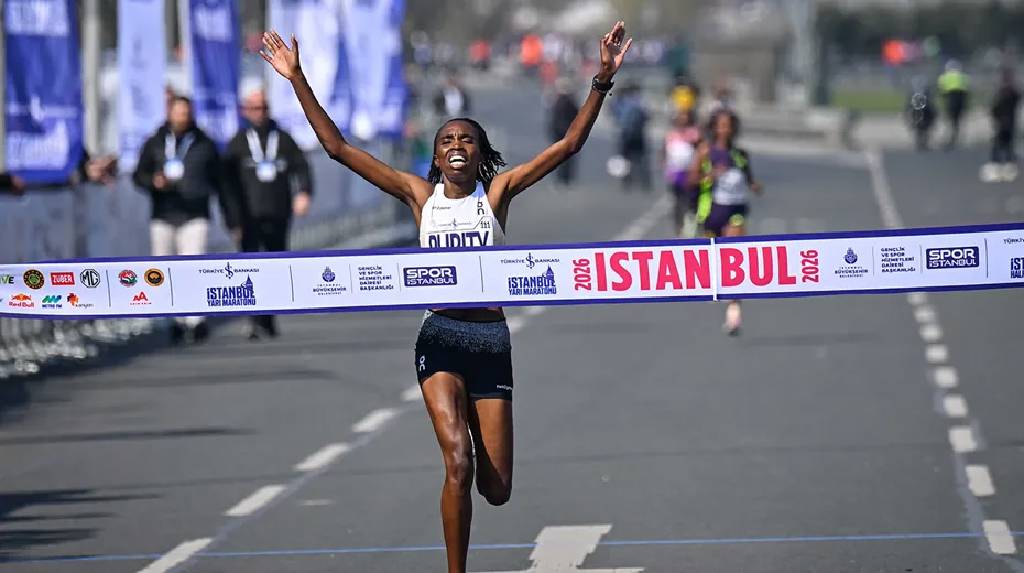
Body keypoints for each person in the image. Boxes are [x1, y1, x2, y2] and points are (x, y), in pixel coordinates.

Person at [260, 21, 632, 573]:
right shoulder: (419, 196)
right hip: (439, 337)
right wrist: (297, 79)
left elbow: (569, 145)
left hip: (490, 341)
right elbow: (337, 148)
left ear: (480, 156)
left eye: (467, 140)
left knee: (496, 488)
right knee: (457, 462)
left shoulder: (497, 194)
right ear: (435, 157)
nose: (457, 145)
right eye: (447, 141)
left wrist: (601, 78)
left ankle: (479, 440)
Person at [133, 96, 239, 344]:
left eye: (186, 113)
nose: (182, 117)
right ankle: (175, 319)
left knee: (194, 266)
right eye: (178, 112)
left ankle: (196, 319)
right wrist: (153, 182)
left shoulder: (204, 143)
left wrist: (232, 217)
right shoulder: (155, 142)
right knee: (163, 270)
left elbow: (221, 183)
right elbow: (139, 175)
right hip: (164, 214)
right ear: (169, 113)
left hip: (194, 213)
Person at [223, 89, 313, 340]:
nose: (259, 113)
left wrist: (304, 193)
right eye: (254, 108)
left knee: (275, 265)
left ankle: (269, 317)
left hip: (278, 212)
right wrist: (232, 219)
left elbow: (302, 167)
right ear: (245, 111)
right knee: (249, 268)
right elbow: (226, 185)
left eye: (263, 108)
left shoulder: (283, 138)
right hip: (248, 217)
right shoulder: (237, 142)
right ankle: (254, 319)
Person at [692, 108, 762, 336]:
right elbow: (691, 179)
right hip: (713, 211)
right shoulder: (705, 151)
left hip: (736, 211)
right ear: (714, 127)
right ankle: (715, 288)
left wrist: (755, 186)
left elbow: (750, 180)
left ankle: (734, 316)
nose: (726, 130)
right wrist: (710, 176)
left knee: (735, 259)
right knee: (715, 263)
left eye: (729, 126)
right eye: (722, 125)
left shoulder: (740, 154)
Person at [662, 109, 702, 236]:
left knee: (691, 200)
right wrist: (666, 166)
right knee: (678, 201)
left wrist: (696, 170)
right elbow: (665, 152)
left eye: (685, 118)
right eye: (680, 118)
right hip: (675, 173)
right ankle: (679, 226)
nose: (682, 121)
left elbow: (700, 151)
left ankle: (691, 226)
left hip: (690, 172)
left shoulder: (694, 134)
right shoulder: (671, 134)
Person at [983, 68, 1021, 183]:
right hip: (1006, 123)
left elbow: (994, 109)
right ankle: (1003, 166)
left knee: (1002, 145)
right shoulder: (1010, 93)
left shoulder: (1005, 94)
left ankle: (1002, 167)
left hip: (1004, 123)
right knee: (1004, 145)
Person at [612, 82, 650, 191]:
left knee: (625, 158)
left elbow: (615, 113)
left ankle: (627, 180)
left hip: (625, 133)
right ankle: (645, 181)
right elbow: (646, 115)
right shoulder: (640, 101)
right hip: (638, 133)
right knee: (641, 158)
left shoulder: (621, 101)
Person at [548, 79, 580, 187]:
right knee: (566, 157)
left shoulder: (557, 102)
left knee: (560, 157)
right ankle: (565, 178)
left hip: (561, 132)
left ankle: (562, 178)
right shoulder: (569, 102)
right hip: (567, 132)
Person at [938, 60, 970, 150]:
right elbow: (966, 91)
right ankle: (955, 136)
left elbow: (941, 91)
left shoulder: (944, 77)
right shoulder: (963, 76)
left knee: (950, 120)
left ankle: (950, 136)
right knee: (958, 120)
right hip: (960, 100)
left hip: (950, 100)